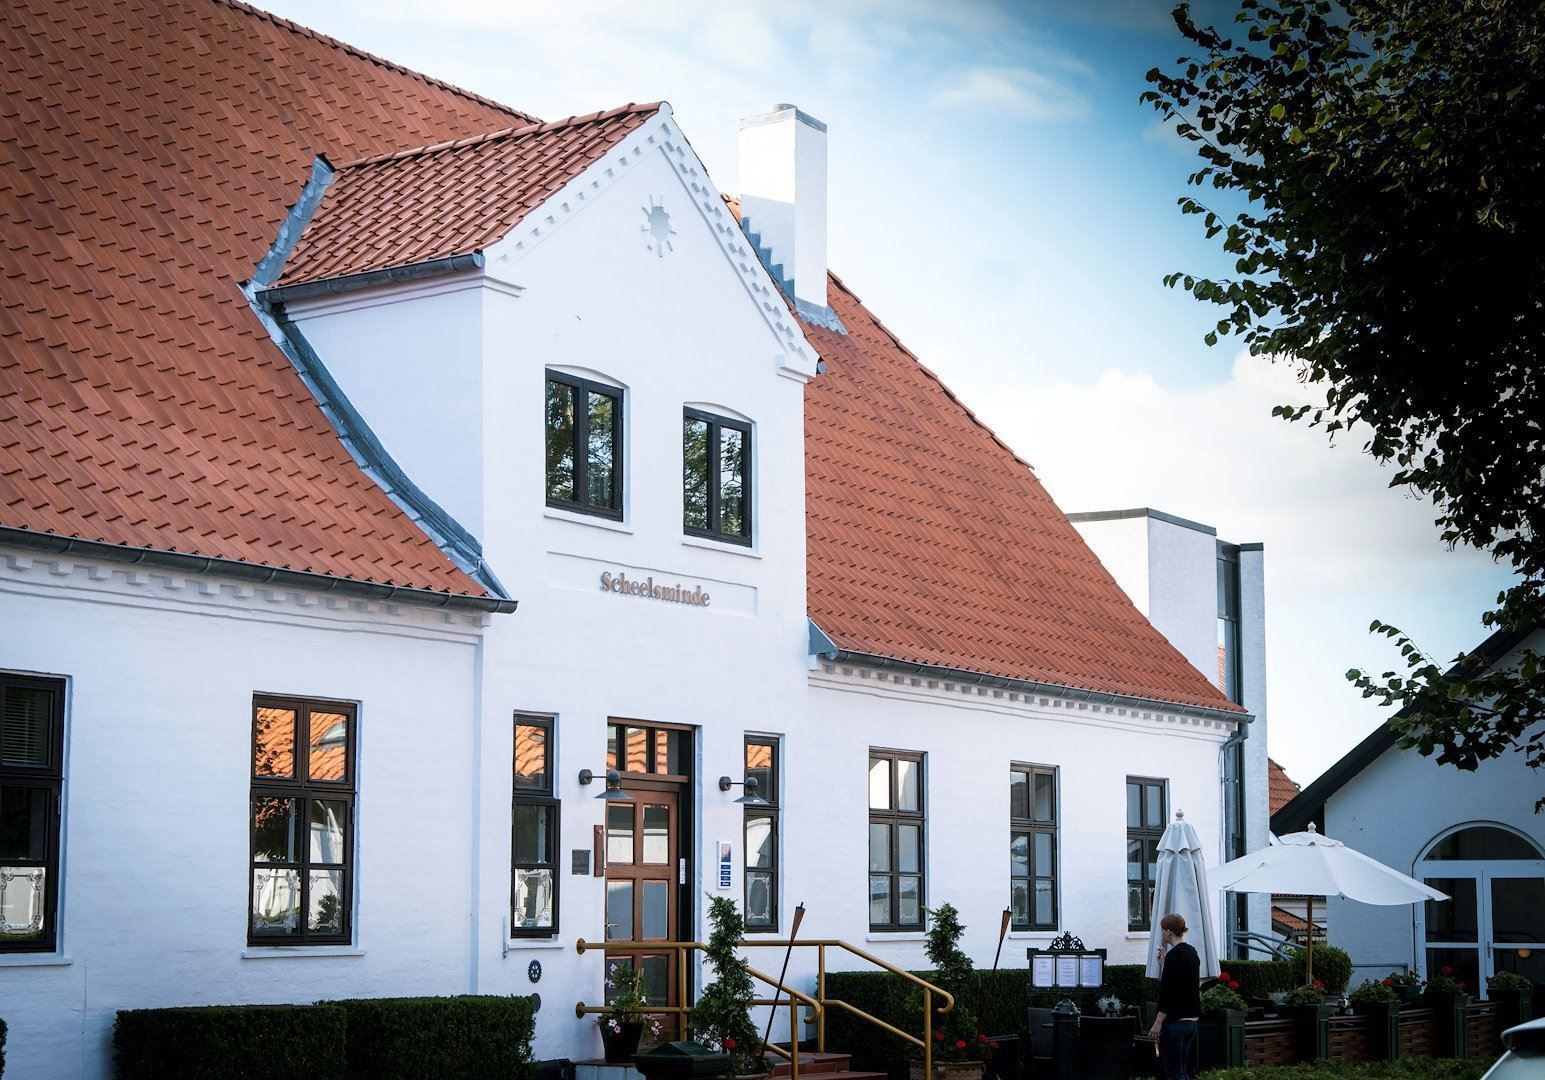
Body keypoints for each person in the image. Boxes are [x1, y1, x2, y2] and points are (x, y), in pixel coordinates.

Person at [1148, 912, 1201, 1080]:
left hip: (1176, 1022)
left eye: (1163, 930)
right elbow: (1183, 983)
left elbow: (1168, 992)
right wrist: (1164, 963)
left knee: (1176, 1073)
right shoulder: (1192, 952)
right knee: (1183, 1070)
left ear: (1169, 931)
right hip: (1192, 1020)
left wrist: (1157, 1023)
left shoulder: (1174, 955)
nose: (1162, 933)